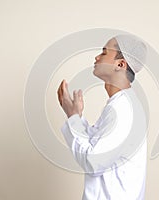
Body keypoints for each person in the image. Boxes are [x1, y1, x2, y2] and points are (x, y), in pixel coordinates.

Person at [57, 34, 148, 200]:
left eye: (104, 52)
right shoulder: (122, 104)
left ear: (120, 64)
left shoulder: (123, 109)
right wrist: (76, 116)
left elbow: (93, 162)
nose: (97, 57)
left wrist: (73, 118)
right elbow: (96, 146)